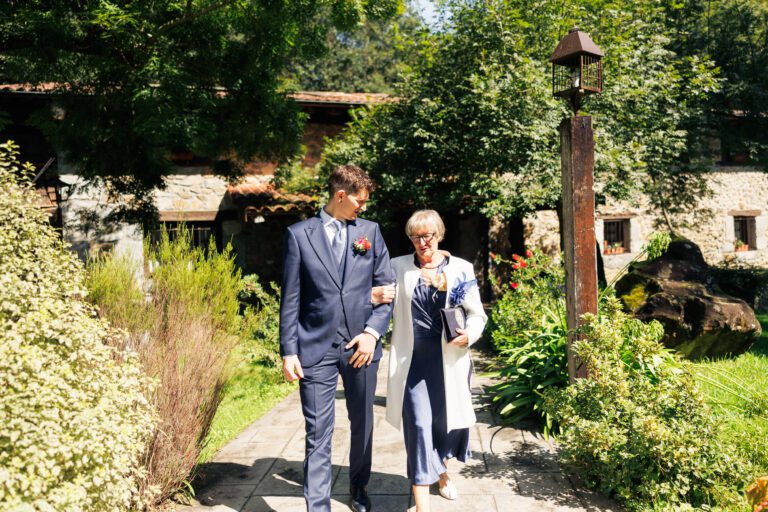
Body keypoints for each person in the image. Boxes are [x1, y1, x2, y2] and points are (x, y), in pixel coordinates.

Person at [279, 164, 394, 512]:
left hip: (361, 347)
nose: (363, 207)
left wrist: (373, 334)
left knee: (362, 424)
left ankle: (358, 487)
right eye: (359, 201)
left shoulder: (370, 233)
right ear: (340, 196)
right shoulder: (299, 235)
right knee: (318, 432)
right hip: (315, 349)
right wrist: (288, 351)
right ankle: (318, 506)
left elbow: (386, 291)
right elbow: (291, 298)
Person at [384, 209, 487, 512]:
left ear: (439, 235)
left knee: (443, 425)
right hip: (412, 361)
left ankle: (441, 475)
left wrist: (469, 335)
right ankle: (422, 504)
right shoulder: (397, 266)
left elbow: (477, 314)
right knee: (418, 425)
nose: (422, 242)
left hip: (449, 360)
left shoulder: (461, 268)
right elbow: (379, 302)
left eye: (427, 235)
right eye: (415, 236)